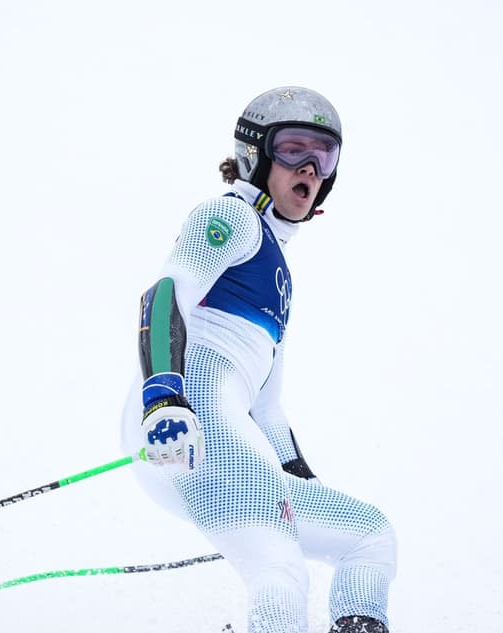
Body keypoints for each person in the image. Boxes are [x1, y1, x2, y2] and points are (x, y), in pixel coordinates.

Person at [120, 87, 397, 633]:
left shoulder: (280, 278)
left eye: (325, 156)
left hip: (230, 439)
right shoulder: (231, 219)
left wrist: (302, 481)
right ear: (257, 154)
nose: (311, 168)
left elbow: (268, 410)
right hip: (185, 422)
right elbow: (162, 295)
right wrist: (164, 399)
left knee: (369, 535)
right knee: (281, 573)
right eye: (294, 149)